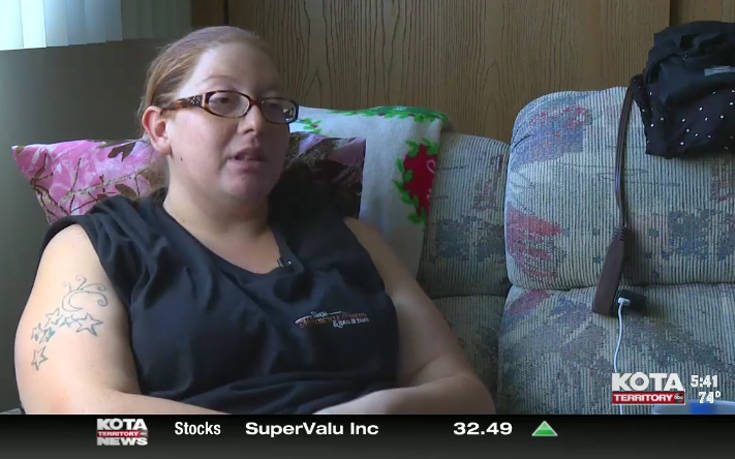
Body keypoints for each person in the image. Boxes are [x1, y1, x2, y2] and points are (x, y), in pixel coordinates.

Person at [14, 26, 494, 414]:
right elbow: (78, 413)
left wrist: (383, 412)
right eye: (222, 100)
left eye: (273, 106)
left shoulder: (352, 239)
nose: (256, 123)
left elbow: (468, 396)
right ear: (160, 129)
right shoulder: (96, 247)